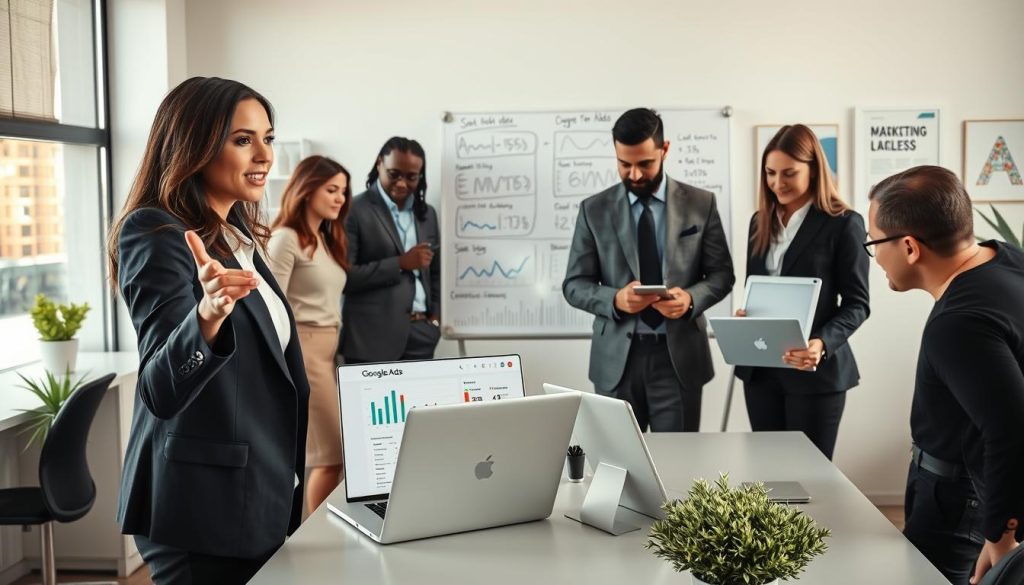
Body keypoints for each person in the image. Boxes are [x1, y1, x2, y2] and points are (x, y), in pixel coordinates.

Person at [107, 77, 309, 584]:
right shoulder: (155, 234)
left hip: (256, 494)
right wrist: (208, 315)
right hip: (201, 508)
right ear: (193, 145)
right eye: (243, 140)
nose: (264, 154)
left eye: (268, 137)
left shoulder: (240, 239)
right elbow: (159, 387)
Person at [867, 165, 1023, 584]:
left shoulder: (957, 323)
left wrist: (1000, 534)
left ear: (910, 248)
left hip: (959, 504)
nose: (875, 256)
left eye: (874, 243)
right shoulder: (1007, 258)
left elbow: (1010, 425)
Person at [563, 108, 734, 432]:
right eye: (624, 165)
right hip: (617, 361)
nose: (635, 175)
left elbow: (722, 274)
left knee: (679, 468)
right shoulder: (593, 209)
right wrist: (615, 299)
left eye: (645, 164)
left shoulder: (701, 203)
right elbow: (574, 284)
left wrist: (690, 299)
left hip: (678, 359)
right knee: (618, 466)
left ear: (664, 149)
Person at [733, 124, 870, 460]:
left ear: (814, 170)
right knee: (768, 477)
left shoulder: (844, 223)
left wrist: (821, 343)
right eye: (770, 173)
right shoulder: (759, 221)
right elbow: (758, 287)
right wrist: (747, 315)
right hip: (761, 371)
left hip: (815, 374)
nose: (777, 183)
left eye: (789, 173)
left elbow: (857, 303)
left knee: (811, 480)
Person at [268, 155, 350, 514]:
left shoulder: (322, 238)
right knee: (330, 455)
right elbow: (270, 305)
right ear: (306, 189)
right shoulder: (285, 239)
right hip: (305, 352)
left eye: (343, 192)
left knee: (330, 456)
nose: (339, 199)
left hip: (327, 355)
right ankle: (316, 540)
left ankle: (314, 535)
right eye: (331, 190)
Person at [340, 137, 441, 364]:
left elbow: (435, 271)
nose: (402, 183)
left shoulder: (427, 215)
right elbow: (346, 276)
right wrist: (401, 263)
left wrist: (434, 317)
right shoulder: (353, 210)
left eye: (411, 177)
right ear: (379, 165)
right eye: (394, 174)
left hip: (422, 336)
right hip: (370, 339)